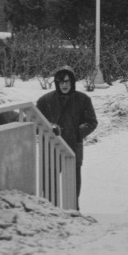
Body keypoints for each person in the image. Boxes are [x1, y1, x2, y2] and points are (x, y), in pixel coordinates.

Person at [36, 66, 98, 202]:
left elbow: (91, 122)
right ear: (57, 83)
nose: (64, 85)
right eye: (61, 82)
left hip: (73, 148)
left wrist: (77, 132)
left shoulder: (83, 100)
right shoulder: (45, 101)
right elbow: (36, 124)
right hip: (51, 150)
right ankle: (50, 210)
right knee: (49, 186)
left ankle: (73, 211)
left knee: (73, 187)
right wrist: (50, 130)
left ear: (73, 82)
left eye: (67, 81)